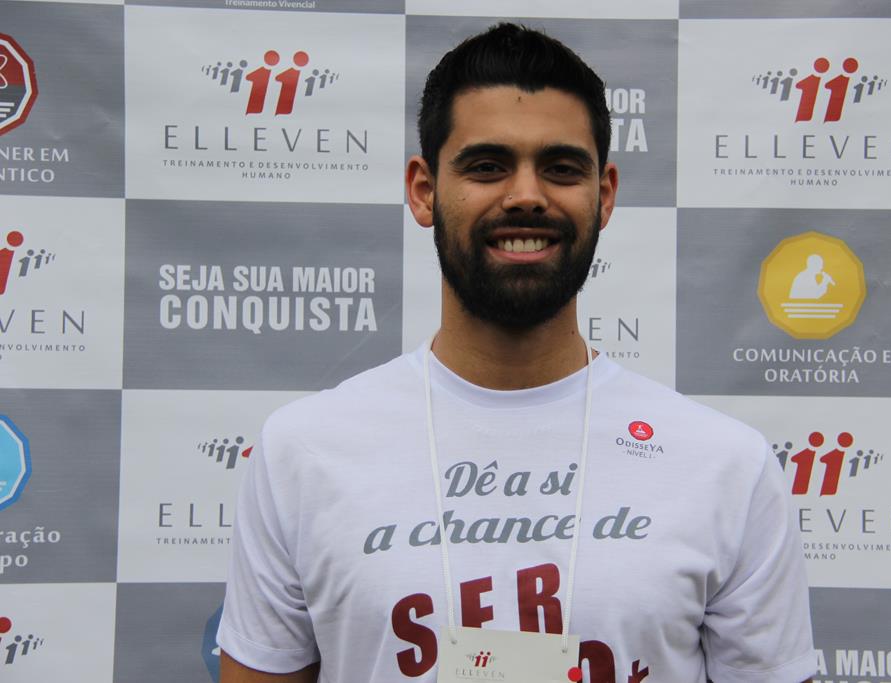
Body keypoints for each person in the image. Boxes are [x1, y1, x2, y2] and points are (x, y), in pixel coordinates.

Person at [218, 23, 816, 683]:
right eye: (487, 166)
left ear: (604, 195)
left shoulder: (725, 465)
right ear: (423, 190)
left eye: (561, 168)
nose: (527, 195)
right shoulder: (303, 452)